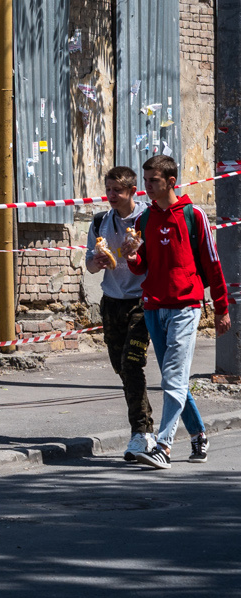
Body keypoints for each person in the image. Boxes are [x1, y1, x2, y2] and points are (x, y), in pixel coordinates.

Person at [125, 154, 230, 469]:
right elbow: (143, 265)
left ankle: (164, 446)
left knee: (172, 376)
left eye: (153, 181)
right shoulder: (144, 219)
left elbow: (212, 264)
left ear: (171, 181)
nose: (147, 187)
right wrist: (132, 258)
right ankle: (198, 433)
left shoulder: (193, 214)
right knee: (175, 379)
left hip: (186, 306)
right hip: (154, 307)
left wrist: (221, 309)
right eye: (145, 181)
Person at [84, 166, 153, 460]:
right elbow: (88, 264)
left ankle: (142, 432)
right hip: (112, 301)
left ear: (132, 192)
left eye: (118, 191)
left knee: (131, 363)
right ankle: (144, 426)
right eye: (109, 189)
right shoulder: (101, 221)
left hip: (142, 301)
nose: (112, 195)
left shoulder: (147, 219)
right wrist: (97, 262)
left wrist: (138, 254)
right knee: (120, 368)